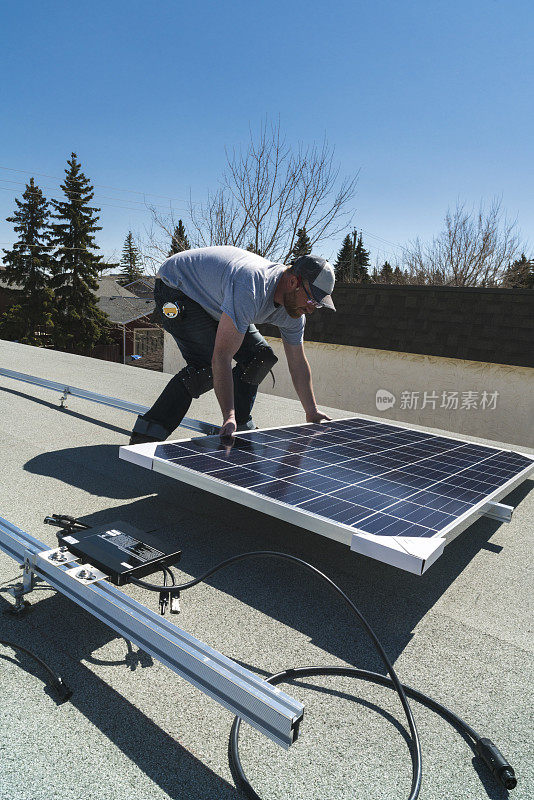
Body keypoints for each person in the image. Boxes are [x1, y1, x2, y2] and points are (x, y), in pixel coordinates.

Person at [129, 245, 336, 445]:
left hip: (217, 297)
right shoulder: (252, 287)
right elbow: (222, 356)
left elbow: (298, 362)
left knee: (259, 356)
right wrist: (228, 414)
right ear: (293, 282)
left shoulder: (294, 313)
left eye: (317, 304)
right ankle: (147, 434)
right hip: (177, 287)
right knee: (205, 367)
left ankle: (241, 426)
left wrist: (311, 410)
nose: (311, 309)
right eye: (311, 300)